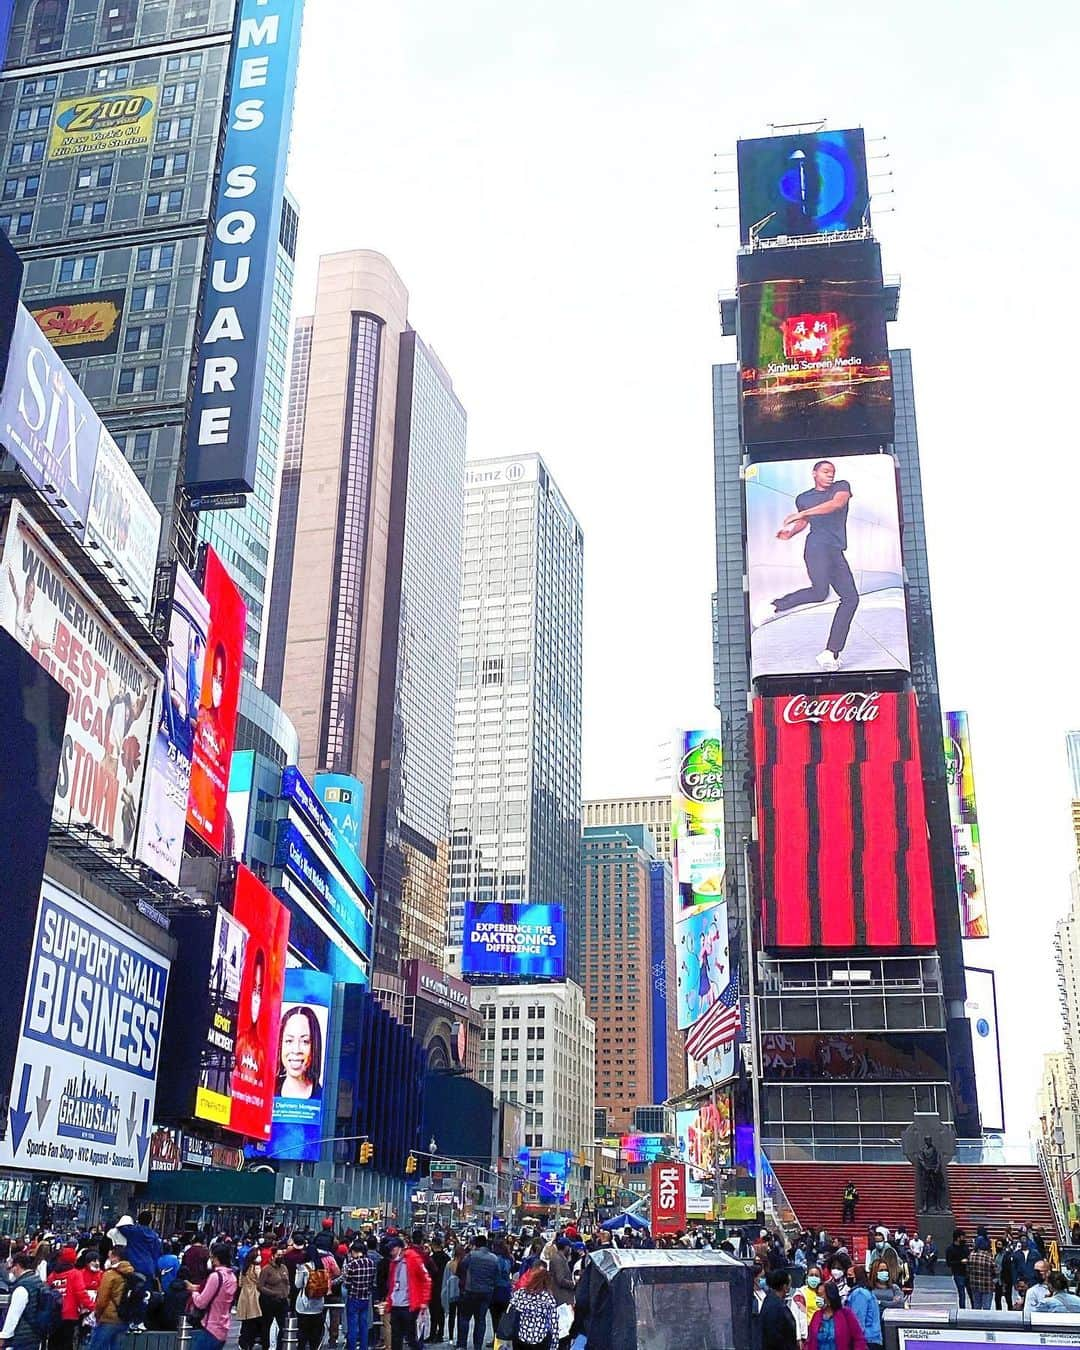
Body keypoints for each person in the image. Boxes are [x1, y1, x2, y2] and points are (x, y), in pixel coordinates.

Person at [752, 459, 858, 673]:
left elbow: (836, 505)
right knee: (820, 592)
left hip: (835, 550)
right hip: (816, 547)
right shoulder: (804, 498)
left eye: (832, 472)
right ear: (814, 473)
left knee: (850, 598)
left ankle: (830, 652)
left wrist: (801, 514)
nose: (830, 475)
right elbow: (806, 521)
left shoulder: (841, 487)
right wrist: (791, 532)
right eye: (826, 471)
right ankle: (774, 605)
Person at [383, 1232, 431, 1350]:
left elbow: (426, 1279)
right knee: (396, 1338)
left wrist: (424, 1301)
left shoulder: (413, 1258)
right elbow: (392, 1283)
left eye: (392, 1250)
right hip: (396, 1304)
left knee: (412, 1338)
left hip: (410, 1305)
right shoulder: (393, 1262)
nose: (391, 1253)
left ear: (399, 1248)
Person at [185, 1243, 237, 1350]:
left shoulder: (215, 1276)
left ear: (216, 1258)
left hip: (211, 1328)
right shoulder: (232, 1277)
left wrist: (193, 1292)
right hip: (223, 1327)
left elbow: (201, 1303)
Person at [456, 1234, 500, 1350]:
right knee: (480, 1320)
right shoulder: (494, 1258)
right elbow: (497, 1276)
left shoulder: (471, 1255)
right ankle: (477, 1346)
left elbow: (461, 1267)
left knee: (465, 1318)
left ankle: (462, 1345)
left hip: (471, 1291)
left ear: (475, 1244)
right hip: (486, 1293)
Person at [504, 1264, 560, 1350]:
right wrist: (554, 1345)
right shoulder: (548, 1298)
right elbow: (553, 1324)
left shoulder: (521, 1293)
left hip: (521, 1336)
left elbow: (510, 1308)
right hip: (540, 1338)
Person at [89, 1252, 136, 1350]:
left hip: (108, 1318)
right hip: (124, 1318)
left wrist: (97, 1315)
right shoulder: (132, 1273)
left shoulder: (110, 1275)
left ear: (115, 1258)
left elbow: (102, 1299)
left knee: (96, 1346)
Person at [0, 1250, 45, 1350]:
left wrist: (3, 1336)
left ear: (17, 1266)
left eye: (11, 1269)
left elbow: (14, 1315)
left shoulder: (22, 1288)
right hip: (35, 1334)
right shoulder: (36, 1280)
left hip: (22, 1337)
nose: (10, 1272)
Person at [276, 1007, 323, 1098]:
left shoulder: (323, 1097)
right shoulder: (268, 1093)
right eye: (289, 1041)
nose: (296, 1050)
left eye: (305, 1041)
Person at [807, 1282, 866, 1350]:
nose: (817, 1298)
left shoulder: (846, 1314)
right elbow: (810, 1341)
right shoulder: (816, 1316)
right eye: (817, 1295)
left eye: (820, 1295)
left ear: (830, 1296)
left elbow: (859, 1339)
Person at [342, 1239, 378, 1350]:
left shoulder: (352, 1264)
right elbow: (372, 1282)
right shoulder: (371, 1263)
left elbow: (347, 1284)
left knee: (352, 1326)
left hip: (354, 1298)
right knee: (364, 1325)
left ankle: (352, 1347)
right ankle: (364, 1347)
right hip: (366, 1298)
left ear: (354, 1251)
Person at [295, 1244, 329, 1350]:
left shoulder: (303, 1267)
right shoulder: (321, 1266)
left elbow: (298, 1284)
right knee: (315, 1336)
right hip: (318, 1305)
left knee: (303, 1334)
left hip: (304, 1305)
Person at [258, 1247, 291, 1350]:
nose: (280, 1257)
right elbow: (260, 1286)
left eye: (282, 1255)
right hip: (269, 1301)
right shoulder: (266, 1269)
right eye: (278, 1255)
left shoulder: (284, 1268)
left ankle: (279, 1346)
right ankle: (266, 1345)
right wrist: (273, 1293)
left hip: (282, 1301)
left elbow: (288, 1283)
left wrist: (286, 1293)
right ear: (273, 1256)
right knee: (267, 1324)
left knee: (282, 1325)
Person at [760, 1271, 798, 1350]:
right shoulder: (775, 1306)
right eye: (790, 1284)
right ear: (785, 1287)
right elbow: (774, 1337)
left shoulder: (770, 1300)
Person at [845, 1269, 881, 1350]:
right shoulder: (865, 1292)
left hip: (866, 1340)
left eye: (850, 1275)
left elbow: (857, 1321)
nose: (847, 1278)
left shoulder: (859, 1294)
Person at [236, 1250, 263, 1350]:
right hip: (254, 1294)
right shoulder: (256, 1268)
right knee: (255, 1320)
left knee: (246, 1321)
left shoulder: (244, 1268)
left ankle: (243, 1341)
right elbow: (260, 1281)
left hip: (244, 1295)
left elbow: (240, 1283)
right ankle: (252, 1341)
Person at [428, 1236, 449, 1344]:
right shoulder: (446, 1258)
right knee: (441, 1313)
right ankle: (440, 1334)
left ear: (433, 1245)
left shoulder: (431, 1259)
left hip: (433, 1288)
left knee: (433, 1313)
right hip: (444, 1288)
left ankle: (432, 1334)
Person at [967, 1237, 995, 1312]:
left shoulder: (971, 1256)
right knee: (986, 1308)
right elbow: (995, 1271)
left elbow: (968, 1269)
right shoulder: (989, 1257)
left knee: (976, 1307)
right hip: (987, 1286)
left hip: (975, 1285)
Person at [944, 1230, 970, 1308]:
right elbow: (949, 1263)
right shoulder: (950, 1249)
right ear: (958, 1238)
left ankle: (974, 1310)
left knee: (971, 1293)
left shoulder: (965, 1247)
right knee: (962, 1294)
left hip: (968, 1273)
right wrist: (960, 1262)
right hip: (958, 1273)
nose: (964, 1239)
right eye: (963, 1237)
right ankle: (962, 1310)